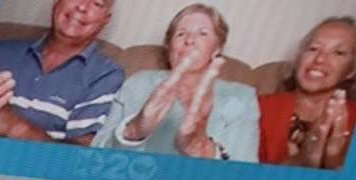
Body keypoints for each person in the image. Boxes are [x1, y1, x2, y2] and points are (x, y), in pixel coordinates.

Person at [95, 6, 258, 160]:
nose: (189, 40)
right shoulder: (138, 82)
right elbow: (96, 153)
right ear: (169, 46)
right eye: (181, 34)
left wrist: (202, 148)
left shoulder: (242, 97)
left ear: (216, 49)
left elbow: (246, 175)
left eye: (202, 33)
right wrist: (134, 130)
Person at [0, 0, 126, 142]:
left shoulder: (106, 75)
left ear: (105, 20)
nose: (82, 7)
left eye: (97, 4)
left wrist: (16, 127)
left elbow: (79, 156)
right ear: (57, 1)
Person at [258, 16, 354, 167]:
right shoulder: (260, 108)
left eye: (338, 52)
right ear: (299, 57)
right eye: (313, 48)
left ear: (351, 70)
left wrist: (335, 164)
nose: (320, 59)